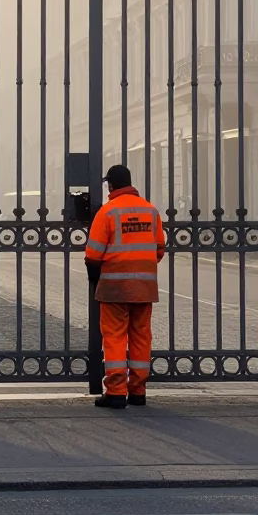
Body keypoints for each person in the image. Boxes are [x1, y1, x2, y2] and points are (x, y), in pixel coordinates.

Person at [85, 164, 166, 409]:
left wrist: (96, 278)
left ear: (110, 185)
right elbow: (159, 249)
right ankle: (138, 391)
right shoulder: (150, 211)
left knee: (115, 337)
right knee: (141, 336)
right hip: (144, 286)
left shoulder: (107, 212)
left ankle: (116, 392)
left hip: (114, 287)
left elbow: (93, 254)